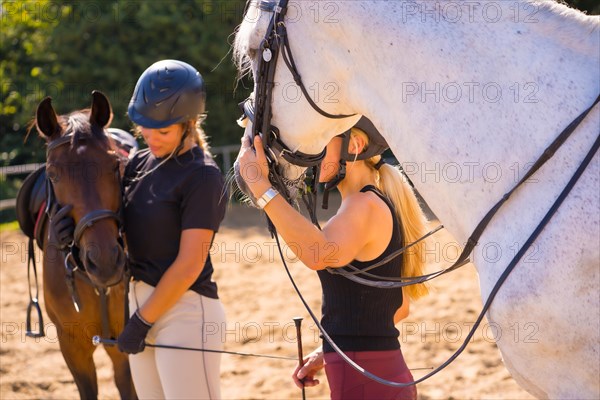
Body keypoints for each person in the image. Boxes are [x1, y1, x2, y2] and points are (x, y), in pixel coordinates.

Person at [49, 59, 227, 399]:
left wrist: (142, 321)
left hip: (185, 313)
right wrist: (69, 241)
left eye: (163, 131)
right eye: (145, 128)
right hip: (138, 310)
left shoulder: (202, 176)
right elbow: (114, 231)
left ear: (189, 125)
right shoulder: (138, 165)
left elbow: (190, 264)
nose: (150, 138)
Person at [238, 121, 430, 399]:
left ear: (353, 147)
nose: (313, 154)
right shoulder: (366, 204)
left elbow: (318, 253)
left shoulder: (364, 206)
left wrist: (261, 187)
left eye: (322, 142)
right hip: (372, 375)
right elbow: (398, 307)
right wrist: (329, 349)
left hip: (370, 381)